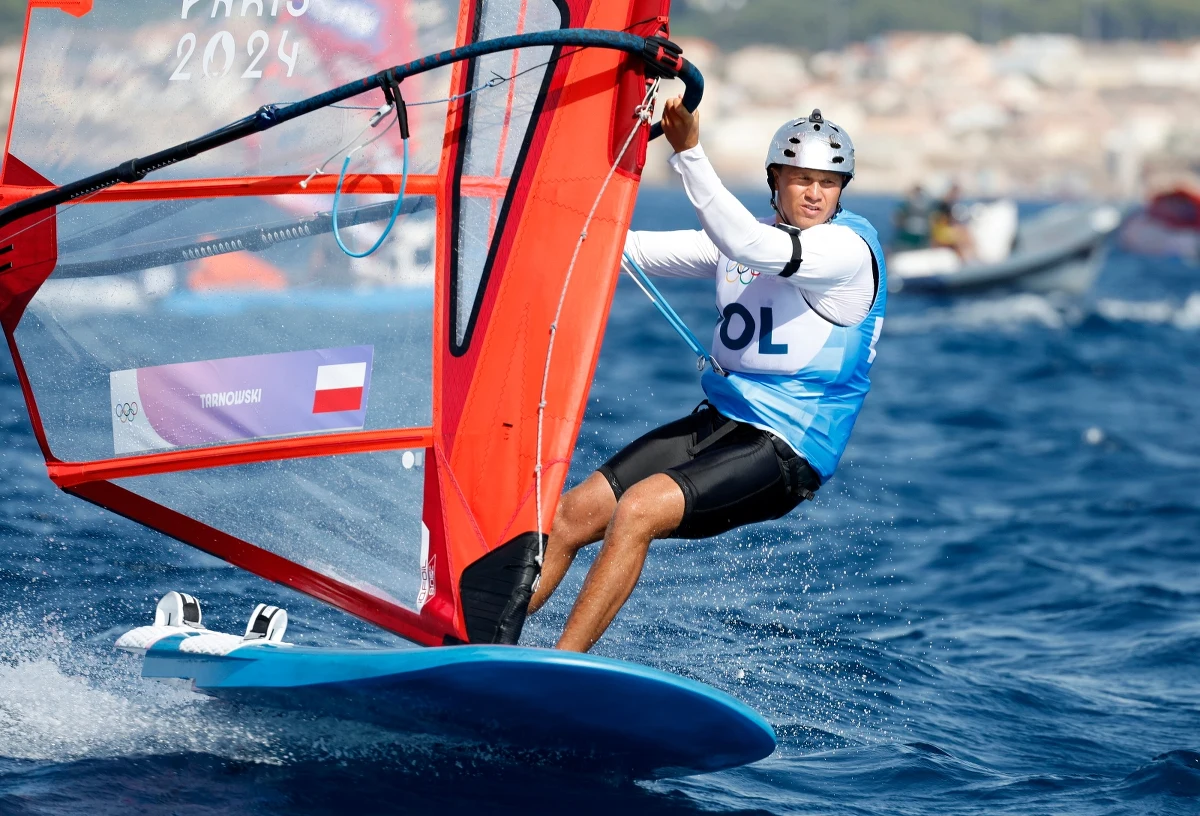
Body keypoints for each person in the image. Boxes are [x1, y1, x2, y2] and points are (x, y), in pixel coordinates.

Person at [526, 102, 887, 653]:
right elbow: (627, 250)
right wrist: (538, 213)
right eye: (800, 180)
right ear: (776, 182)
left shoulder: (846, 250)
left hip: (787, 450)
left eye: (827, 183)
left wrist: (688, 151)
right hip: (722, 424)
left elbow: (751, 247)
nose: (814, 193)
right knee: (572, 514)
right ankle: (477, 642)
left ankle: (557, 668)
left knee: (638, 510)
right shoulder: (752, 238)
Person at [930, 183, 975, 260]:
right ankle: (966, 259)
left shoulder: (946, 204)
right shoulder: (945, 205)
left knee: (964, 232)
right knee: (964, 235)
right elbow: (944, 222)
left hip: (943, 231)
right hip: (942, 232)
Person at [893, 184, 933, 250]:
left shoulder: (908, 202)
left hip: (911, 232)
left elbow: (898, 218)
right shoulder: (927, 204)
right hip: (921, 232)